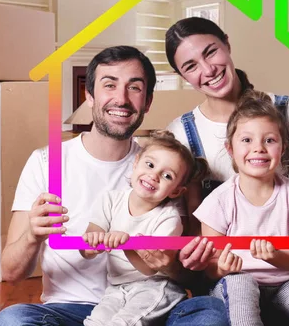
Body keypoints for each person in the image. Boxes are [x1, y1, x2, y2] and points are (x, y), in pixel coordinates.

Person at [0, 46, 228, 326]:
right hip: (73, 311)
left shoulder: (165, 170)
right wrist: (32, 235)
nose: (121, 98)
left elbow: (191, 276)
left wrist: (170, 266)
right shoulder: (46, 162)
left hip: (151, 307)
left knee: (210, 313)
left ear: (148, 101)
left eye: (134, 87)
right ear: (89, 95)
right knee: (12, 320)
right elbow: (11, 271)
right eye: (110, 85)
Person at [164, 16, 289, 263]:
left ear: (227, 44)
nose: (208, 70)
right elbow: (191, 222)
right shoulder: (181, 133)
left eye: (211, 52)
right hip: (225, 268)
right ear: (182, 75)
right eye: (191, 66)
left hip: (288, 262)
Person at [193, 90, 289, 326]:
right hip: (236, 283)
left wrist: (275, 256)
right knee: (239, 284)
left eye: (270, 140)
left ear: (283, 148)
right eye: (246, 140)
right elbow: (209, 268)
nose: (259, 148)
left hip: (286, 283)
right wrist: (221, 269)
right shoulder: (217, 201)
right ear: (231, 149)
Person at [80, 130, 209, 326]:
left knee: (124, 323)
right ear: (136, 162)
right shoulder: (110, 200)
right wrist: (94, 243)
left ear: (176, 191)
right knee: (94, 322)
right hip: (116, 287)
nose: (153, 175)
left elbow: (149, 268)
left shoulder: (169, 219)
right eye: (149, 165)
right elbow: (86, 247)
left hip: (156, 286)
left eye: (167, 175)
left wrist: (126, 244)